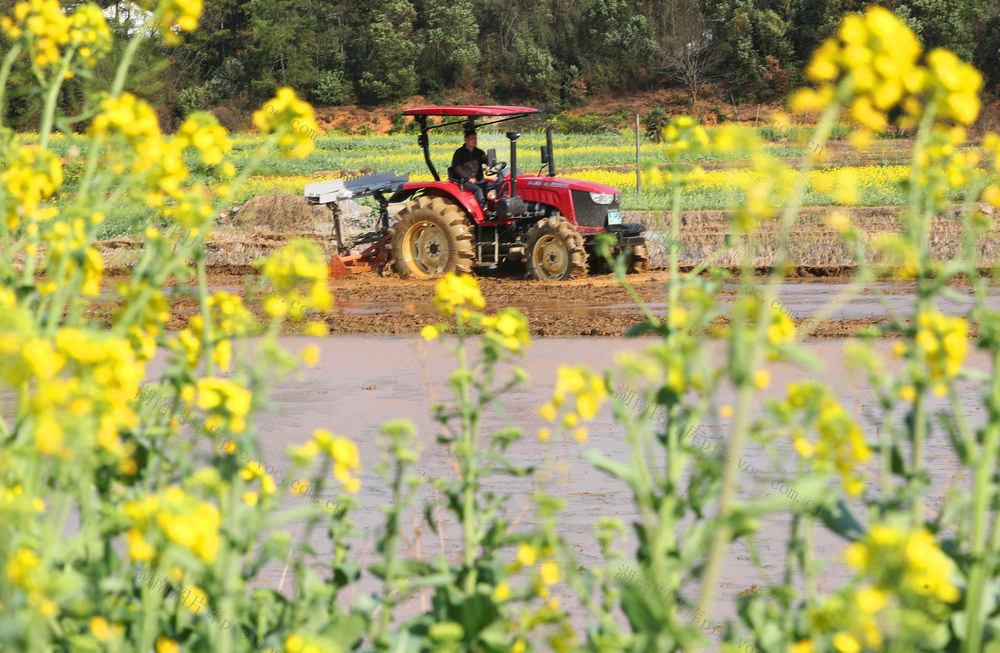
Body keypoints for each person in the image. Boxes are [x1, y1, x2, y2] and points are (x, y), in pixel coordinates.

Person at [451, 129, 489, 208]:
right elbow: (457, 168)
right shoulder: (459, 153)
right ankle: (484, 210)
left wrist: (489, 165)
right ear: (466, 139)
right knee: (478, 189)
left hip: (478, 180)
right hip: (464, 182)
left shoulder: (479, 152)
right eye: (472, 139)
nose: (475, 141)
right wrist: (469, 178)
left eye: (476, 139)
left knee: (492, 185)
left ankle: (496, 208)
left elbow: (486, 159)